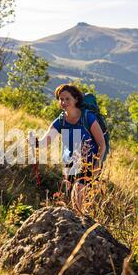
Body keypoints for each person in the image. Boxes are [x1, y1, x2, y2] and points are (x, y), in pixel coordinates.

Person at [30, 84, 106, 213]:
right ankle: (79, 221)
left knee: (78, 190)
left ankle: (80, 221)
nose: (63, 102)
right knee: (74, 195)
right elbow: (45, 142)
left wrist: (97, 165)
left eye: (67, 99)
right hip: (69, 164)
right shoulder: (61, 121)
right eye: (61, 99)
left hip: (88, 163)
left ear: (76, 99)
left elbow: (101, 144)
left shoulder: (88, 117)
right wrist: (35, 142)